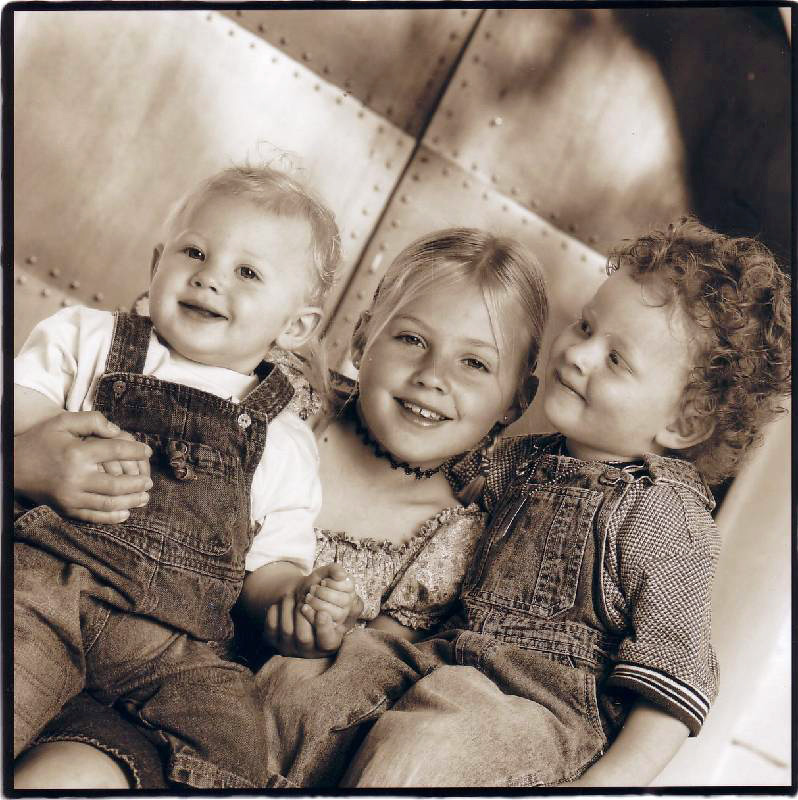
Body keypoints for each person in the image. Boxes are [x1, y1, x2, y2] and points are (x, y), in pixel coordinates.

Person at [254, 216, 792, 788]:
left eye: (616, 359)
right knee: (299, 686)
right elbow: (434, 461)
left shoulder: (665, 517)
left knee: (424, 750)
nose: (579, 354)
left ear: (685, 422)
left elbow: (676, 682)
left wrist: (604, 789)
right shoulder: (526, 460)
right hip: (443, 662)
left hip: (542, 712)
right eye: (586, 326)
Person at [13, 227, 550, 788]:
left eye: (475, 363)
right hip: (62, 601)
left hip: (176, 713)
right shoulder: (274, 404)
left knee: (68, 778)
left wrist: (315, 631)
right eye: (412, 339)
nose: (432, 377)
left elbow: (350, 688)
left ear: (516, 400)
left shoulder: (447, 542)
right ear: (363, 338)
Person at [12, 164, 360, 789]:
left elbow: (268, 569)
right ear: (157, 263)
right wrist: (33, 459)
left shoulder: (284, 439)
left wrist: (296, 603)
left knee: (236, 740)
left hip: (169, 642)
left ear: (296, 325)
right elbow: (18, 423)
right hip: (48, 588)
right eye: (194, 252)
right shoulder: (87, 339)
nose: (209, 277)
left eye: (247, 272)